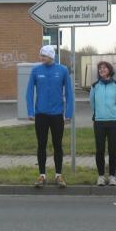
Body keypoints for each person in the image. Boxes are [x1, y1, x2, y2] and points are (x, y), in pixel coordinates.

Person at [26, 45, 74, 188]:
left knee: (57, 145)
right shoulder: (36, 70)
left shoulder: (63, 70)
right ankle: (42, 175)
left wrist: (68, 113)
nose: (41, 58)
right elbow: (29, 92)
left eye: (43, 56)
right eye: (40, 55)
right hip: (41, 114)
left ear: (51, 56)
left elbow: (69, 93)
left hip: (57, 115)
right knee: (41, 144)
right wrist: (30, 111)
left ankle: (58, 175)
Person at [89, 61, 116, 186]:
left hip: (114, 121)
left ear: (110, 70)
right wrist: (98, 114)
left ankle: (112, 176)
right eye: (100, 68)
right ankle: (101, 176)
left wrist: (113, 113)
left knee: (112, 150)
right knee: (100, 150)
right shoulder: (94, 86)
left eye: (104, 68)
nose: (101, 70)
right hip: (99, 121)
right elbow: (92, 103)